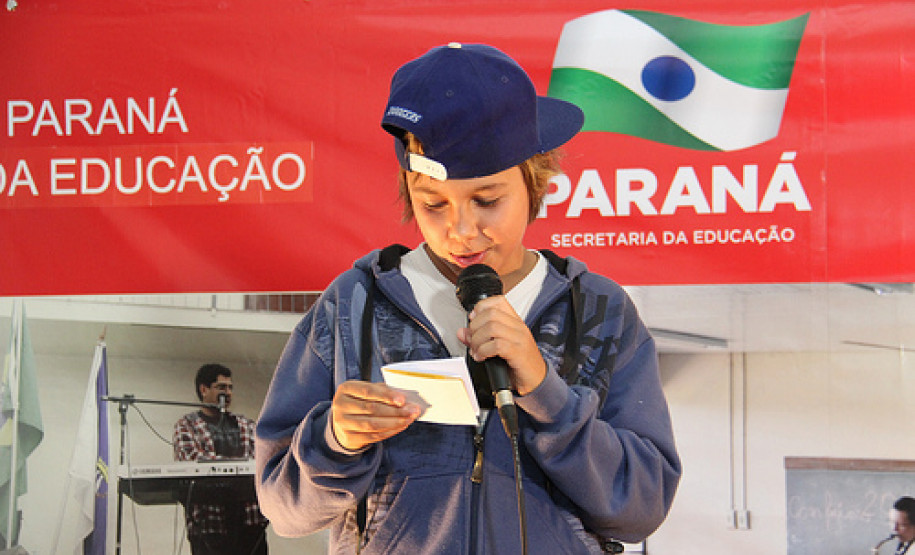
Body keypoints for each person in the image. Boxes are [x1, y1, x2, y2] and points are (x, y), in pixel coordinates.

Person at [255, 42, 681, 554]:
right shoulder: (353, 306)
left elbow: (642, 509)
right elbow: (281, 508)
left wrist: (548, 395)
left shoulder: (597, 310)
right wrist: (334, 442)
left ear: (535, 178)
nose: (462, 231)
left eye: (487, 200)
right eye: (432, 204)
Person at [174, 363, 269, 555]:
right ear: (204, 389)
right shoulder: (187, 425)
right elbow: (192, 460)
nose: (228, 392)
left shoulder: (246, 424)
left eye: (230, 388)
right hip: (208, 525)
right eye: (221, 387)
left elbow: (260, 460)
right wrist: (235, 466)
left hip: (250, 523)